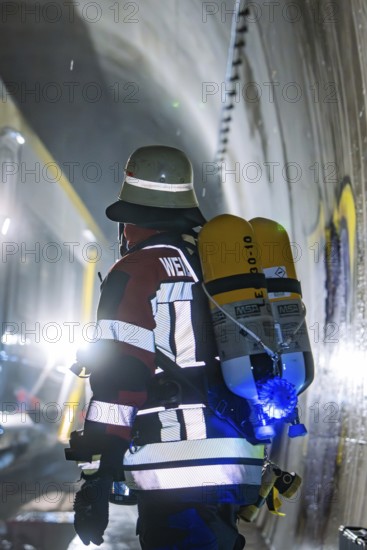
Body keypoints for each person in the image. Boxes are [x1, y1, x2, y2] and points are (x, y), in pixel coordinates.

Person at [70, 145, 265, 549]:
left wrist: (97, 477)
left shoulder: (136, 271)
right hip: (235, 456)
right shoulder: (209, 263)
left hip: (177, 466)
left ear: (130, 221)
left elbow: (120, 380)